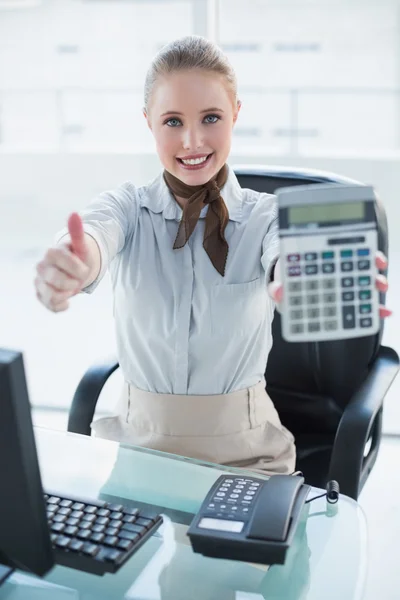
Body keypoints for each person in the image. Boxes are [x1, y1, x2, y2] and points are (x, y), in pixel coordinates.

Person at [34, 35, 391, 475]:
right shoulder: (128, 208)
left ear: (236, 114)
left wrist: (296, 281)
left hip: (248, 457)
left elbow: (286, 252)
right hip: (135, 450)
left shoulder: (266, 216)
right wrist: (73, 262)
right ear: (148, 122)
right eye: (172, 121)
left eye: (210, 117)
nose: (192, 140)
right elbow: (93, 234)